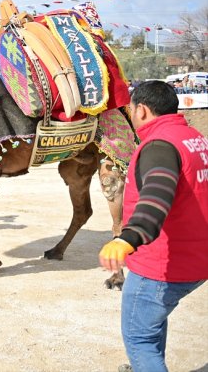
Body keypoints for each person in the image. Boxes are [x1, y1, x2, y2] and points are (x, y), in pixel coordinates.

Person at [98, 81, 207, 372]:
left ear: (142, 110)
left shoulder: (159, 147)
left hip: (162, 266)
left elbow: (157, 196)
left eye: (130, 110)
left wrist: (128, 238)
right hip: (196, 258)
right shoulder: (192, 137)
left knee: (139, 338)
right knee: (152, 323)